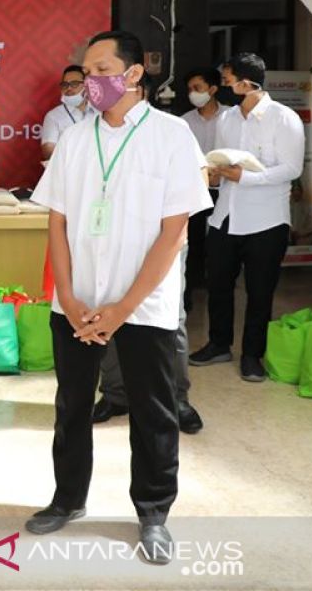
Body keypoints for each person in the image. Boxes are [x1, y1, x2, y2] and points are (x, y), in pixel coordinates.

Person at [27, 30, 211, 565]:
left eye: (101, 70)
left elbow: (174, 232)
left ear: (133, 74)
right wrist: (68, 293)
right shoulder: (76, 140)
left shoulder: (173, 137)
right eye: (85, 72)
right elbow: (57, 223)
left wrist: (122, 309)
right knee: (71, 405)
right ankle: (68, 498)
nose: (90, 82)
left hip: (145, 308)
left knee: (154, 411)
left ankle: (153, 512)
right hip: (78, 305)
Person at [92, 71, 205, 436]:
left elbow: (197, 179)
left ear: (139, 87)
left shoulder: (169, 131)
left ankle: (177, 398)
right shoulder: (93, 133)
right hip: (109, 244)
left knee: (168, 320)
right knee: (107, 314)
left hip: (161, 245)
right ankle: (115, 393)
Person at [189, 53, 304, 382]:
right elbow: (225, 160)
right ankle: (218, 343)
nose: (224, 86)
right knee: (218, 284)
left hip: (266, 220)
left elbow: (292, 168)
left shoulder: (284, 118)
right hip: (225, 215)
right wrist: (217, 172)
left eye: (227, 81)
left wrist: (246, 177)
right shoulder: (228, 119)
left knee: (259, 290)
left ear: (247, 82)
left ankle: (253, 354)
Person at [180, 68, 230, 307]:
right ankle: (189, 290)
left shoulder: (231, 117)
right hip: (195, 190)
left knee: (222, 243)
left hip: (227, 189)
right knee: (193, 241)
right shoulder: (184, 121)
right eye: (190, 89)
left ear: (212, 89)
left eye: (198, 88)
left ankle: (218, 287)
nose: (193, 94)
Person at [40, 65, 90, 160]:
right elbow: (48, 150)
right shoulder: (53, 116)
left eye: (74, 83)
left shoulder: (100, 112)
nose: (69, 89)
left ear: (86, 85)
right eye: (65, 85)